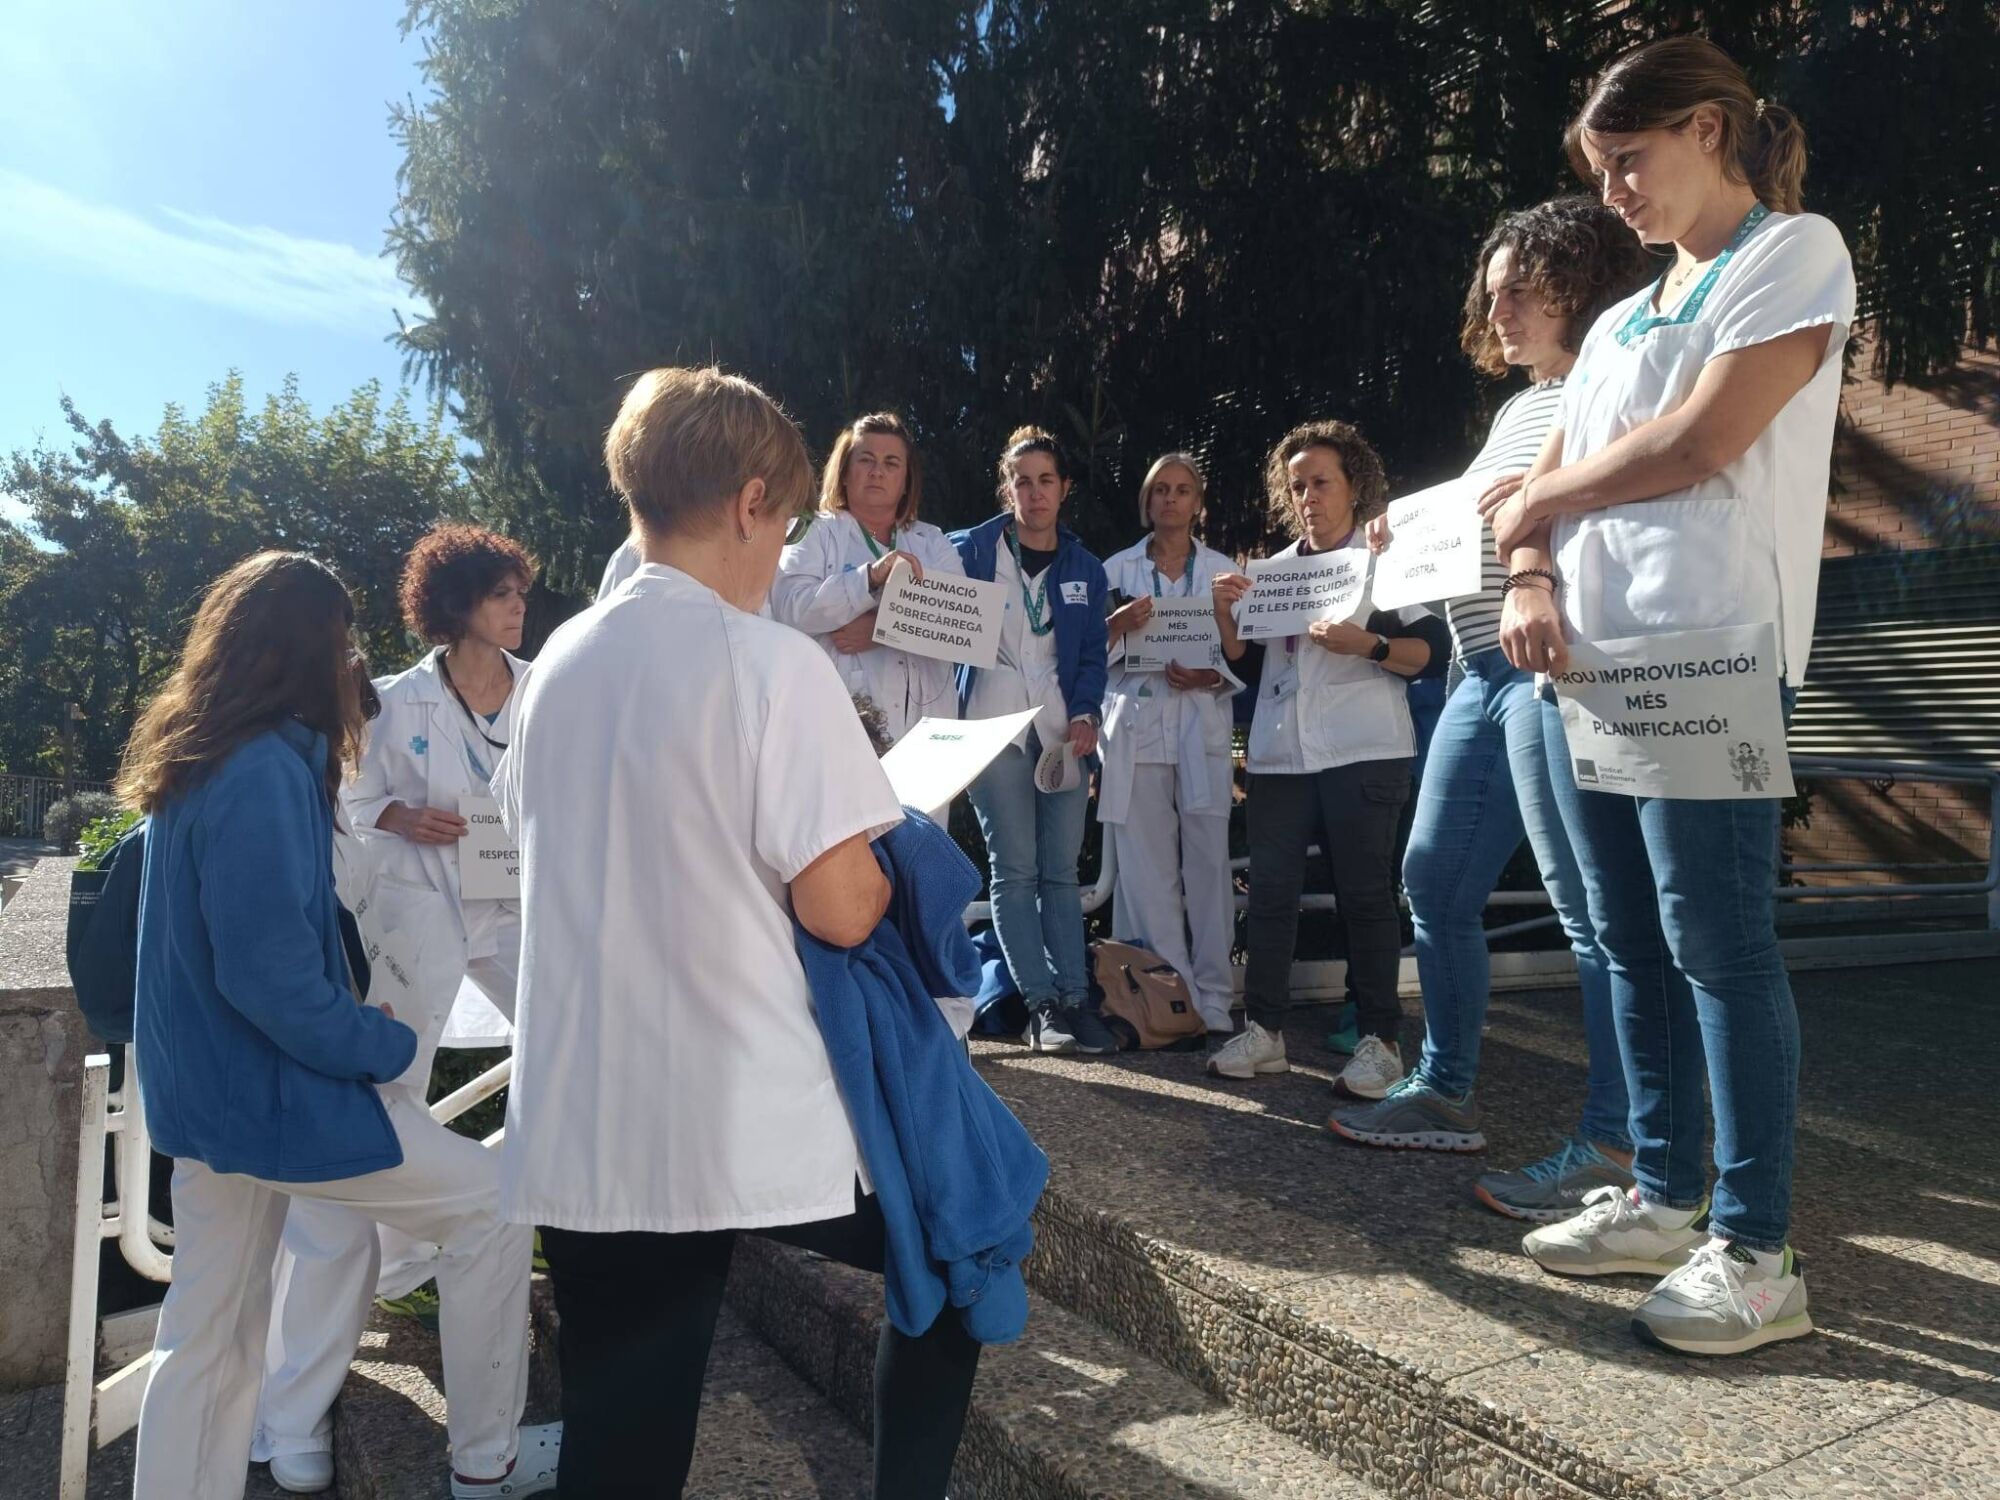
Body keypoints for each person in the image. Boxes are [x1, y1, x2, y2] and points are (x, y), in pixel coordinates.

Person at [497, 366, 982, 1497]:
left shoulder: (555, 665)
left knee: (622, 1448)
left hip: (582, 1112)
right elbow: (840, 903)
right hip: (729, 1106)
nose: (785, 560)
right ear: (754, 500)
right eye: (787, 522)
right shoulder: (770, 661)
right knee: (959, 1258)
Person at [1491, 36, 1854, 1355]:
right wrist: (1529, 562)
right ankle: (1659, 1190)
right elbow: (1544, 484)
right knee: (1627, 935)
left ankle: (1758, 1251)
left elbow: (1708, 436)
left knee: (1717, 937)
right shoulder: (1614, 322)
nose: (1617, 195)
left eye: (1630, 162)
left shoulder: (1793, 256)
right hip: (1589, 658)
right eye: (1602, 172)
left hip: (1711, 647)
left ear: (1710, 130)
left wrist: (1536, 498)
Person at [125, 552, 550, 1500]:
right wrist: (383, 1043)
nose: (356, 659)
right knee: (492, 1205)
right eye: (343, 638)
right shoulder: (264, 773)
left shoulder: (197, 760)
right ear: (303, 648)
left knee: (206, 1338)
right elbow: (269, 979)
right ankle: (487, 1465)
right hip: (272, 1101)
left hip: (205, 1103)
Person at [1329, 199, 1653, 1226]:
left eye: (1520, 286)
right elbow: (1491, 515)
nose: (1496, 306)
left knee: (1589, 910)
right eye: (1491, 289)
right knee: (1433, 877)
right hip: (1476, 667)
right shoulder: (1527, 404)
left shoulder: (1606, 379)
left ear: (1576, 283)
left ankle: (1615, 1142)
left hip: (1545, 666)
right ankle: (1443, 1088)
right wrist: (1403, 528)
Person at [250, 524, 542, 1491]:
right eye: (500, 595)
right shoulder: (395, 699)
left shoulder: (540, 688)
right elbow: (346, 798)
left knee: (568, 1057)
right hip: (417, 916)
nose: (516, 609)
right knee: (377, 1122)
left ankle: (445, 1245)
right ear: (455, 604)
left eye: (518, 595)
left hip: (516, 910)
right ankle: (298, 1393)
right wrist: (396, 816)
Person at [1207, 423, 1448, 1097]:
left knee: (1365, 896)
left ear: (1353, 485)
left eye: (1322, 481)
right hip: (1283, 755)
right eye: (1297, 485)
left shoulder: (1383, 562)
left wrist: (1366, 644)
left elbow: (1431, 654)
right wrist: (1228, 617)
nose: (1308, 495)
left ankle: (1381, 1041)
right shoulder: (1275, 572)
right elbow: (1247, 664)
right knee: (1272, 894)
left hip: (1364, 751)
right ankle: (1264, 1032)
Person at [950, 426, 1117, 1056]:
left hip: (1061, 735)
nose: (1035, 491)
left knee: (1060, 873)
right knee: (1014, 871)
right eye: (1023, 480)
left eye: (1047, 480)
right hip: (993, 731)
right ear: (1007, 487)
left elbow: (1093, 658)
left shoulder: (1085, 568)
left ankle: (1077, 998)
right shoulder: (968, 552)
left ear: (1064, 488)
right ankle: (1042, 1007)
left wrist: (1088, 714)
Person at [1097, 452, 1241, 1039]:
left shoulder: (1224, 570)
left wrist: (1212, 677)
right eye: (1161, 490)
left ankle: (1215, 998)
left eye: (1183, 490)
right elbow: (1086, 655)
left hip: (1201, 723)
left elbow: (1243, 654)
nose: (1171, 500)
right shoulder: (1116, 570)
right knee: (1148, 872)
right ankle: (1169, 998)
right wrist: (1117, 626)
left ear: (1198, 502)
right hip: (1136, 725)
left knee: (1208, 866)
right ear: (1147, 501)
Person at [770, 412, 966, 744]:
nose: (877, 471)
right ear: (844, 472)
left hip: (927, 728)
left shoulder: (933, 541)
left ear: (906, 482)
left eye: (891, 463)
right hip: (841, 726)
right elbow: (791, 608)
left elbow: (962, 624)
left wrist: (882, 629)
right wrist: (870, 580)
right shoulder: (813, 530)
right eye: (866, 460)